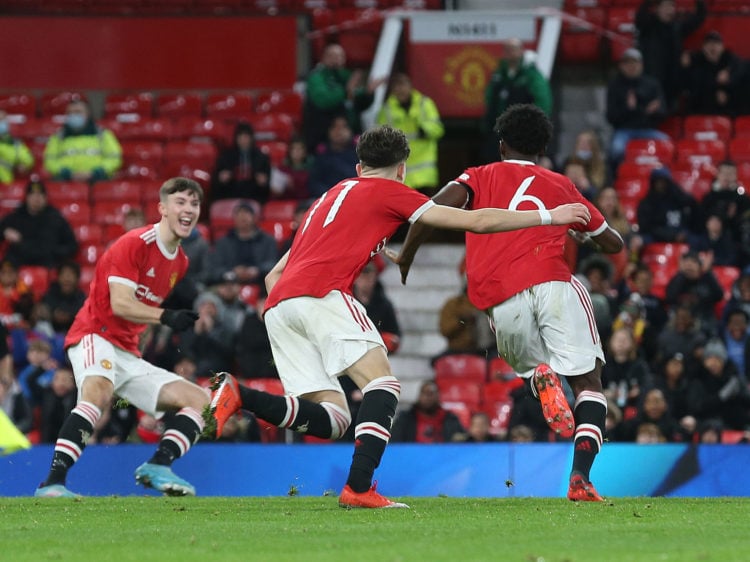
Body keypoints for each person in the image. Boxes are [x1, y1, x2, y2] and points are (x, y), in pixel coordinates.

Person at [203, 124, 591, 509]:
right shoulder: (392, 192)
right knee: (383, 386)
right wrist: (550, 217)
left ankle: (241, 395)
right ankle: (358, 488)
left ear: (359, 167)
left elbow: (274, 275)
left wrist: (297, 313)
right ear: (403, 168)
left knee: (334, 419)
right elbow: (478, 221)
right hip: (323, 294)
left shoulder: (329, 195)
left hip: (280, 306)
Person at [393, 104, 624, 502]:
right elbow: (615, 243)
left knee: (528, 367)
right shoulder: (562, 185)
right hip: (554, 284)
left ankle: (538, 378)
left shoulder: (480, 176)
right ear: (543, 147)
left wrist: (408, 255)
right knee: (589, 383)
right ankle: (580, 478)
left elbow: (429, 212)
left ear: (501, 144)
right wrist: (583, 233)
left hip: (501, 297)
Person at [34, 177, 209, 498]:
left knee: (200, 401)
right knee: (97, 395)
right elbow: (121, 303)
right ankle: (53, 483)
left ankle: (158, 465)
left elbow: (142, 314)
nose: (188, 209)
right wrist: (166, 316)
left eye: (194, 203)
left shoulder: (180, 262)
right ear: (163, 209)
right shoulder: (135, 243)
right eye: (180, 202)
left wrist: (144, 341)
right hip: (94, 334)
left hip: (127, 352)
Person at [481, 38, 552, 163]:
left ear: (521, 51)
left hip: (523, 132)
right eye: (507, 50)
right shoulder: (498, 75)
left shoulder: (531, 75)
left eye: (513, 49)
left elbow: (543, 102)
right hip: (499, 132)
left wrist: (532, 126)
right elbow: (489, 98)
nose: (510, 53)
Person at [302, 43, 383, 151]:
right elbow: (322, 101)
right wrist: (346, 91)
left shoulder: (348, 76)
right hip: (323, 140)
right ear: (323, 58)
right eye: (331, 56)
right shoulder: (316, 77)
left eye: (339, 56)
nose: (336, 59)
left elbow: (359, 104)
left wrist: (368, 93)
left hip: (351, 140)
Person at [376, 73, 445, 195]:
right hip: (401, 172)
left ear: (410, 86)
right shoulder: (386, 110)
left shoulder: (425, 103)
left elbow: (438, 129)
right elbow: (380, 138)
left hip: (425, 172)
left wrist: (423, 130)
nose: (400, 89)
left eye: (403, 85)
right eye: (396, 86)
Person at [635, 0, 707, 111]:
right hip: (651, 82)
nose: (670, 10)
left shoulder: (677, 27)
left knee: (670, 117)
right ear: (657, 9)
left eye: (672, 6)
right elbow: (640, 17)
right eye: (666, 6)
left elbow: (699, 18)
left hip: (672, 85)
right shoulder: (648, 26)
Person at [605, 48, 670, 169]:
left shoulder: (652, 84)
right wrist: (628, 109)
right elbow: (610, 117)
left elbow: (663, 112)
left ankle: (663, 178)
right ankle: (617, 179)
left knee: (667, 145)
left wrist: (652, 111)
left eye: (634, 62)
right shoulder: (615, 86)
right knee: (616, 150)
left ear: (641, 65)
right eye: (627, 63)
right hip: (624, 130)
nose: (631, 66)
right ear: (621, 66)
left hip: (647, 129)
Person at [0, 178, 79, 268]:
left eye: (40, 195)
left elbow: (72, 246)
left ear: (45, 198)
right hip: (18, 266)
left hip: (47, 265)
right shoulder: (16, 216)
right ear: (26, 197)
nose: (36, 199)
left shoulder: (55, 218)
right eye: (32, 195)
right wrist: (4, 232)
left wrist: (53, 251)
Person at [43, 99, 122, 182]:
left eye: (78, 112)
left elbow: (114, 158)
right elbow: (49, 161)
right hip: (66, 181)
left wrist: (96, 172)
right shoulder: (58, 137)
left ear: (87, 114)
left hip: (98, 180)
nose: (73, 115)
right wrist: (68, 173)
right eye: (70, 113)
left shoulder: (103, 135)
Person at [207, 200, 279, 289]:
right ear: (233, 218)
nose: (242, 217)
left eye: (246, 213)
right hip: (229, 285)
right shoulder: (223, 242)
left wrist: (257, 271)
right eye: (238, 214)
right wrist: (233, 272)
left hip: (262, 286)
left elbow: (274, 264)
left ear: (254, 217)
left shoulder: (268, 240)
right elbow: (215, 270)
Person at [681, 31, 743, 116]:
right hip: (699, 111)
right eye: (709, 44)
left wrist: (728, 76)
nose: (712, 48)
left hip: (725, 112)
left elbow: (741, 70)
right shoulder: (695, 62)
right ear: (703, 48)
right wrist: (684, 68)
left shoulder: (730, 61)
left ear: (722, 47)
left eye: (716, 44)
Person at [636, 167, 701, 245]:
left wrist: (684, 233)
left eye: (663, 181)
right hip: (657, 237)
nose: (661, 185)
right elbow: (648, 228)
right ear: (653, 183)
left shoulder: (679, 198)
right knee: (638, 241)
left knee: (699, 241)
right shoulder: (647, 203)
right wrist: (672, 236)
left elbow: (693, 215)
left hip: (682, 234)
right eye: (658, 181)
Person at [211, 122, 271, 204]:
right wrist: (220, 179)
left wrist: (264, 182)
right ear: (236, 138)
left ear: (251, 138)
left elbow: (268, 184)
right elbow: (216, 181)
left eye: (246, 137)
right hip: (231, 193)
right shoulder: (226, 156)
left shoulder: (262, 157)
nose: (243, 140)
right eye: (240, 137)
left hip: (254, 195)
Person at [390, 380, 466, 443]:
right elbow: (394, 442)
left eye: (431, 394)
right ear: (419, 396)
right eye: (424, 394)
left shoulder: (451, 419)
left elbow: (463, 440)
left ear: (438, 396)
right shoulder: (405, 419)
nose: (427, 398)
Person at [308, 115, 359, 198]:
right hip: (327, 200)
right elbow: (314, 183)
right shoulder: (321, 155)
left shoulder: (360, 154)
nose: (339, 131)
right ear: (329, 131)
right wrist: (332, 195)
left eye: (344, 126)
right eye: (335, 127)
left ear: (350, 130)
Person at [38, 261, 86, 335]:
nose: (67, 279)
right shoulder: (51, 293)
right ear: (58, 277)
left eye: (70, 275)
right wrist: (53, 314)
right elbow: (44, 308)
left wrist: (69, 316)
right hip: (51, 333)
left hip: (74, 334)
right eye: (64, 274)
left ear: (77, 278)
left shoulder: (81, 297)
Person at [0, 109, 33, 184]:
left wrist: (24, 165)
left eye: (2, 120)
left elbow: (28, 158)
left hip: (5, 183)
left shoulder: (14, 142)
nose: (1, 124)